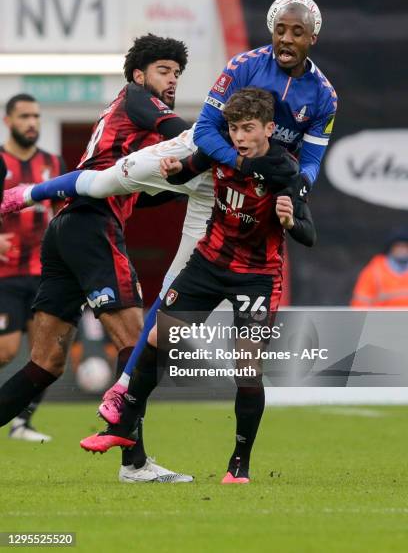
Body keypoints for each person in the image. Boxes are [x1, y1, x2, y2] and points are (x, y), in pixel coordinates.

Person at [80, 87, 316, 484]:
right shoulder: (220, 149)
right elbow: (189, 169)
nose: (239, 137)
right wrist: (175, 169)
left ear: (269, 129)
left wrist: (292, 221)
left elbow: (309, 234)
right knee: (159, 339)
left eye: (248, 129)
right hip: (209, 262)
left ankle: (239, 463)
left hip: (256, 276)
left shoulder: (284, 172)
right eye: (234, 128)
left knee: (246, 366)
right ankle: (123, 428)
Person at [0, 34, 199, 481]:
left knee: (46, 362)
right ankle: (134, 464)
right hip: (92, 226)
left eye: (177, 74)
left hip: (68, 227)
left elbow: (133, 189)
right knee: (138, 344)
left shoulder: (129, 119)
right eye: (164, 71)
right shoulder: (135, 99)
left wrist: (170, 187)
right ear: (139, 74)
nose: (171, 81)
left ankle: (133, 460)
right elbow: (184, 136)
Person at [193, 0, 338, 197]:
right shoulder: (243, 66)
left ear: (312, 38)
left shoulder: (325, 97)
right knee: (137, 171)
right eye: (280, 31)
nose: (286, 39)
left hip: (258, 180)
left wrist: (300, 186)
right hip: (212, 157)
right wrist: (243, 163)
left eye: (297, 33)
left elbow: (311, 163)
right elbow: (203, 130)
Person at [0, 94, 65, 442]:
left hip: (43, 274)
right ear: (9, 121)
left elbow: (64, 211)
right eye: (24, 116)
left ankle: (21, 423)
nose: (32, 123)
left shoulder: (53, 163)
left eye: (36, 116)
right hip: (4, 276)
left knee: (49, 352)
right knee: (6, 351)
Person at [350, 230, 408, 307]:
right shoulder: (373, 271)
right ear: (391, 248)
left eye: (405, 246)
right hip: (380, 318)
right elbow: (360, 302)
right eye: (398, 246)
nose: (402, 250)